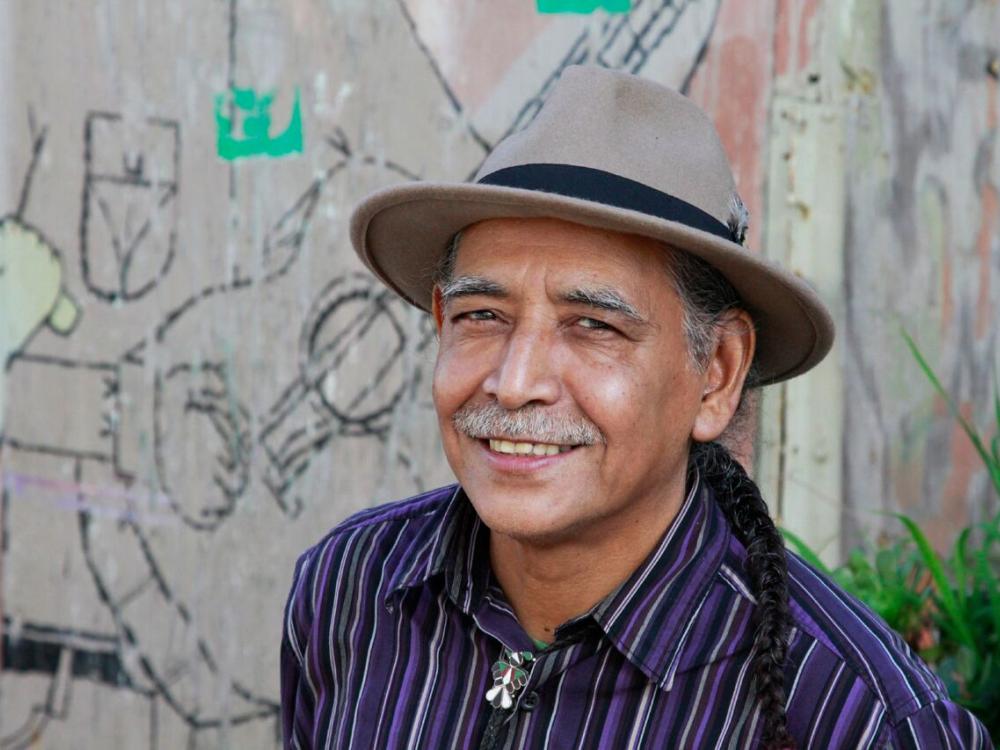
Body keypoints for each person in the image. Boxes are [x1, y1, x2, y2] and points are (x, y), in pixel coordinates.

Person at [280, 65, 991, 749]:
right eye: (483, 315)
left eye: (593, 325)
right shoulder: (352, 592)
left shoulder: (851, 716)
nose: (515, 379)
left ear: (716, 374)